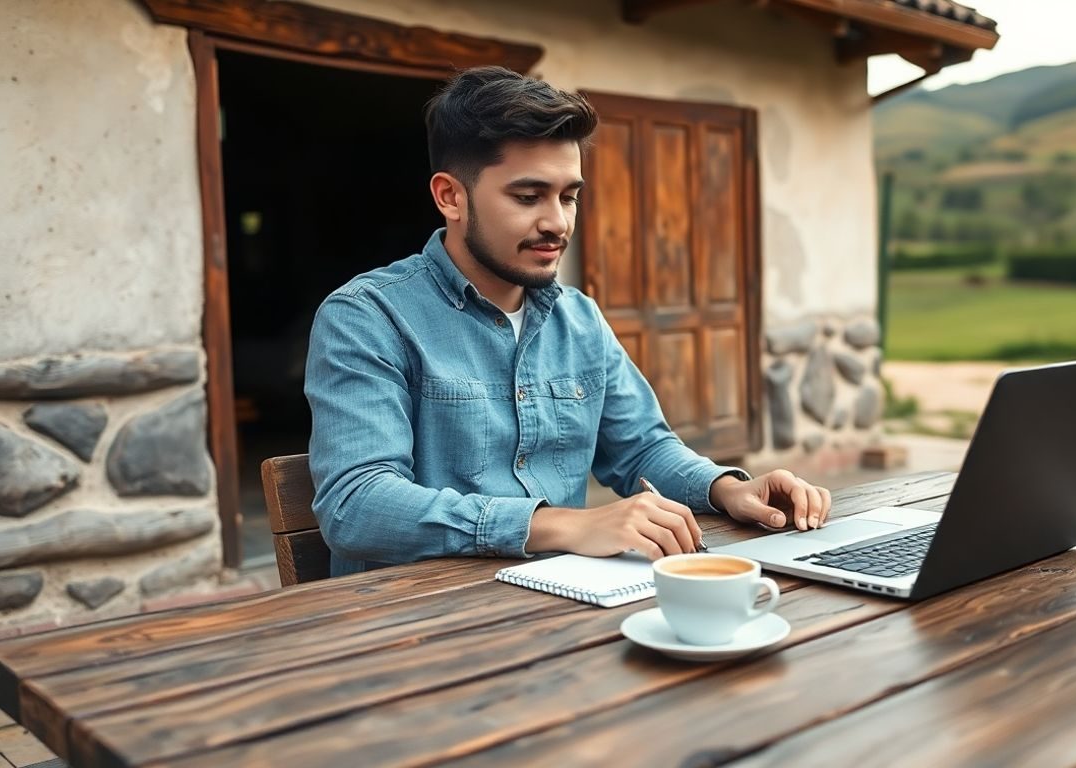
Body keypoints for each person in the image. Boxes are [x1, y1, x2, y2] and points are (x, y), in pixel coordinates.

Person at [305, 66, 831, 577]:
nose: (557, 222)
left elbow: (643, 447)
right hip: (409, 626)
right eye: (528, 196)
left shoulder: (577, 317)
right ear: (451, 197)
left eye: (569, 196)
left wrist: (727, 489)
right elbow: (357, 504)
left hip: (560, 605)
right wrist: (558, 526)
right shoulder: (367, 316)